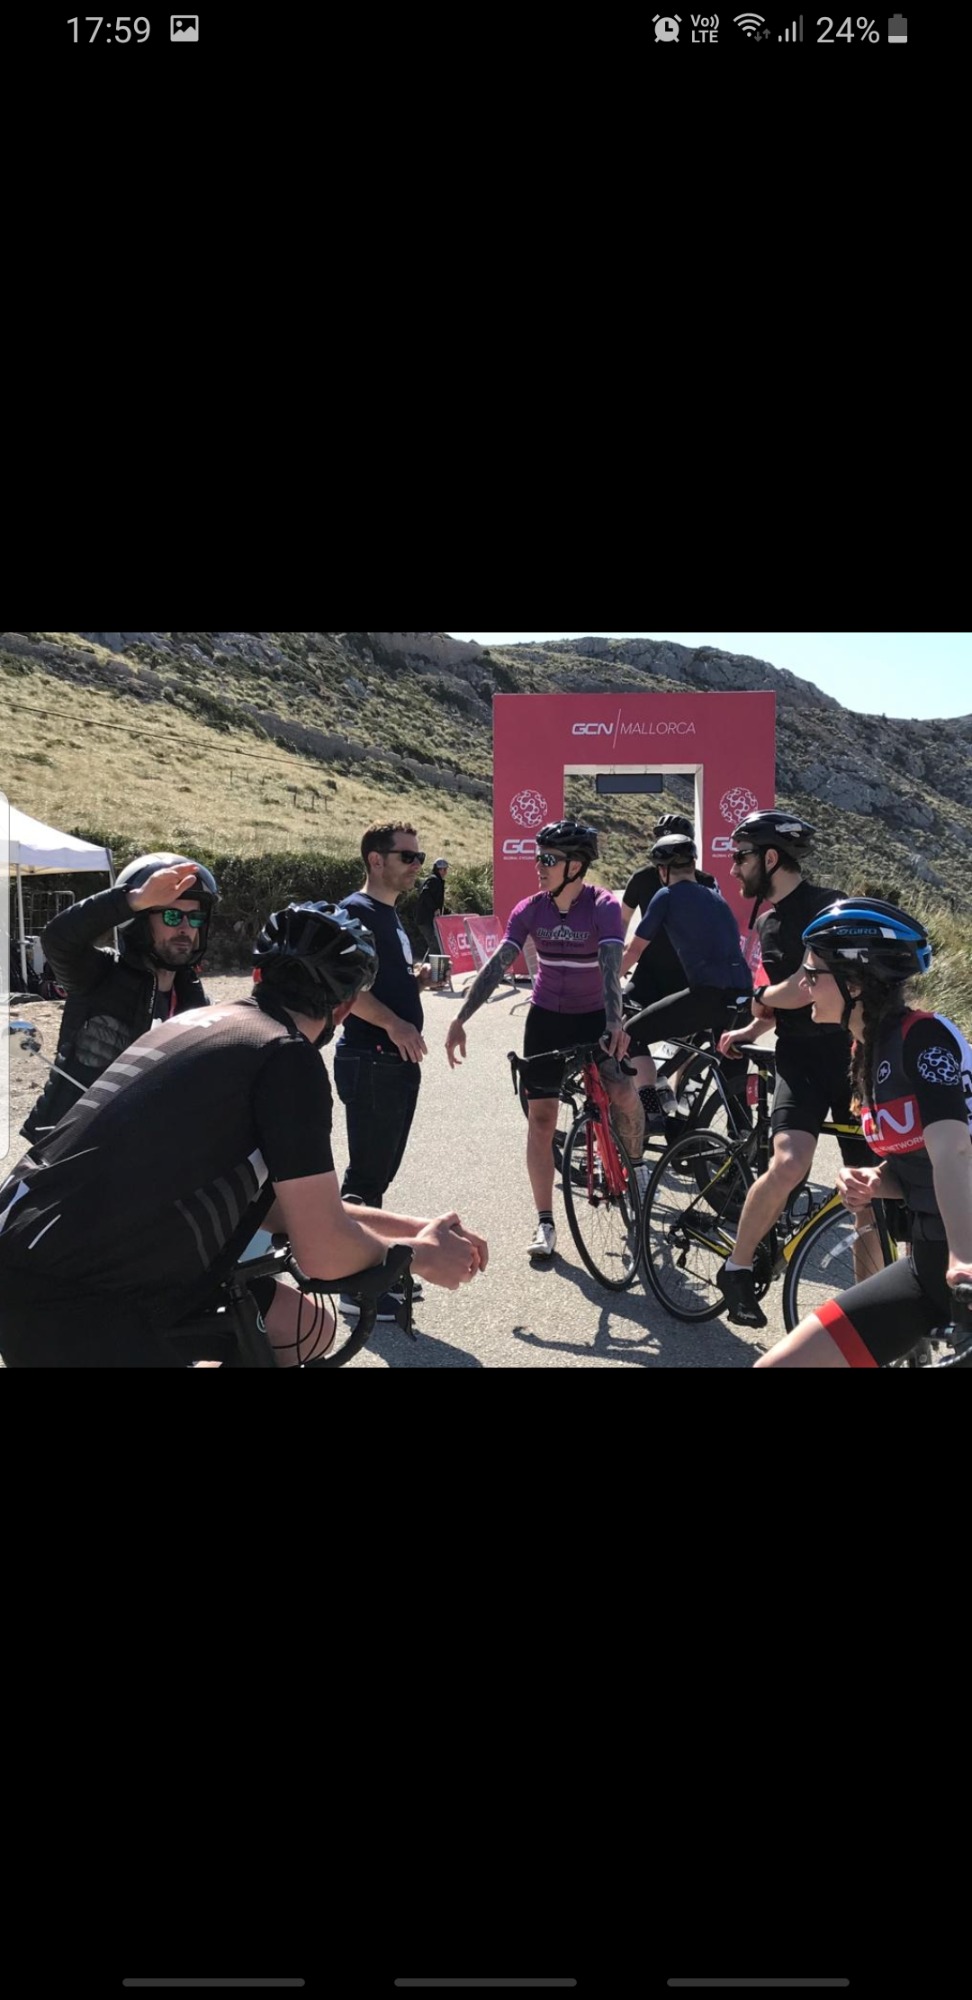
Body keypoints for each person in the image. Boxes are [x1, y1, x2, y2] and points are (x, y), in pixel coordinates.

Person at [0, 902, 488, 1368]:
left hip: (28, 1251)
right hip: (79, 1297)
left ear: (259, 976)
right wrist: (417, 1257)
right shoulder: (286, 1056)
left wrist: (412, 1228)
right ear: (343, 1009)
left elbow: (282, 1208)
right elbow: (323, 1252)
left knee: (305, 1325)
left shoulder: (200, 1024)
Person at [754, 899, 972, 1366]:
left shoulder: (923, 1038)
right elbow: (919, 1165)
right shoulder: (868, 1051)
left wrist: (964, 1255)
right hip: (928, 1268)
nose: (804, 985)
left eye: (812, 974)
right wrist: (878, 1180)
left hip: (962, 1266)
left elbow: (955, 1149)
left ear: (853, 984)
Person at [444, 820, 644, 1261]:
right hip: (547, 1019)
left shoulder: (603, 906)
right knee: (541, 1120)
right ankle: (545, 1222)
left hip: (594, 1015)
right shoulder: (531, 909)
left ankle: (637, 1167)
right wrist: (461, 1017)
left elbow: (611, 967)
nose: (539, 866)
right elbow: (499, 964)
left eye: (548, 859)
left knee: (622, 1091)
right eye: (538, 857)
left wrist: (615, 1024)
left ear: (575, 866)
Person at [713, 809, 876, 1331]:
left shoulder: (829, 907)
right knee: (789, 1164)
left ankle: (869, 1313)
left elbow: (804, 988)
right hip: (799, 1060)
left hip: (849, 1062)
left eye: (740, 857)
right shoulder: (767, 922)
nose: (733, 868)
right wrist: (750, 1029)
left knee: (866, 1194)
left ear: (770, 858)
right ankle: (737, 1268)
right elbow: (781, 1004)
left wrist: (761, 997)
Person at [20, 851, 216, 1144]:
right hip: (70, 1143)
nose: (185, 928)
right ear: (138, 922)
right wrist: (132, 899)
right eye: (172, 915)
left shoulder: (195, 1001)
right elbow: (58, 939)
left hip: (140, 1147)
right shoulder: (98, 975)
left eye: (195, 917)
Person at [334, 821, 438, 1321]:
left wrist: (414, 981)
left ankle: (367, 1271)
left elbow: (377, 982)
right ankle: (351, 1283)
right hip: (372, 1057)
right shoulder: (355, 912)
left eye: (419, 857)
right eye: (407, 857)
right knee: (366, 1174)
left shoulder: (387, 914)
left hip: (390, 1060)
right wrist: (395, 1024)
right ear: (376, 860)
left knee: (378, 1173)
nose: (416, 865)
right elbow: (345, 988)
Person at [622, 834, 752, 1119]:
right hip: (744, 997)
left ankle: (651, 1114)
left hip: (709, 995)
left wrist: (604, 983)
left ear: (662, 870)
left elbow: (634, 950)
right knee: (732, 1078)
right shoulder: (716, 898)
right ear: (693, 864)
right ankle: (742, 1136)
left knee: (631, 1034)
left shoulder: (667, 895)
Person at [621, 813, 718, 1001]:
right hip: (649, 971)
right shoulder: (641, 878)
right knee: (626, 1011)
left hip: (690, 974)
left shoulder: (707, 882)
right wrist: (616, 955)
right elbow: (622, 920)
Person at [413, 857, 450, 957]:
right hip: (425, 919)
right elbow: (425, 894)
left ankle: (430, 964)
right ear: (439, 870)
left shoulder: (437, 881)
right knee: (435, 945)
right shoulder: (434, 880)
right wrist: (435, 909)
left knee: (435, 944)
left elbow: (436, 901)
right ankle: (434, 966)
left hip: (429, 919)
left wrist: (447, 912)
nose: (446, 872)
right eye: (444, 869)